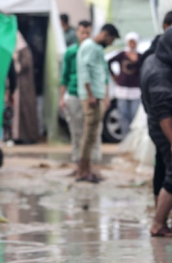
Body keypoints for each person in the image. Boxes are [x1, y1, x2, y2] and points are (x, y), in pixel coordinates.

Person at [141, 10, 172, 230]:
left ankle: (167, 220)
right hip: (167, 129)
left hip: (160, 125)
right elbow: (163, 112)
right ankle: (158, 223)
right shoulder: (160, 72)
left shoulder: (154, 60)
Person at [76, 23, 120, 183]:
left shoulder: (97, 48)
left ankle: (87, 168)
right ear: (106, 35)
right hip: (91, 97)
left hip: (97, 95)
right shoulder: (89, 46)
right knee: (88, 135)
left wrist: (104, 95)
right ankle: (82, 170)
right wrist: (90, 95)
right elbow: (84, 70)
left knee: (92, 135)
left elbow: (102, 73)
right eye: (112, 39)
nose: (111, 43)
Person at [59, 20, 98, 164]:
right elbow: (64, 76)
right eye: (82, 33)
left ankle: (91, 159)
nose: (85, 36)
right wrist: (61, 98)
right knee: (76, 130)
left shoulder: (95, 50)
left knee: (92, 130)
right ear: (77, 33)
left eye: (88, 33)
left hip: (91, 96)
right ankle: (77, 159)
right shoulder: (70, 52)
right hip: (74, 94)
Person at [109, 32, 142, 138]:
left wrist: (135, 60)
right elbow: (109, 62)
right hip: (122, 90)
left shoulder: (140, 56)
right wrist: (114, 75)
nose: (132, 44)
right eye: (130, 42)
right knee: (123, 116)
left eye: (134, 42)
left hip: (136, 91)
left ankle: (133, 140)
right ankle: (125, 139)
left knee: (134, 117)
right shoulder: (122, 54)